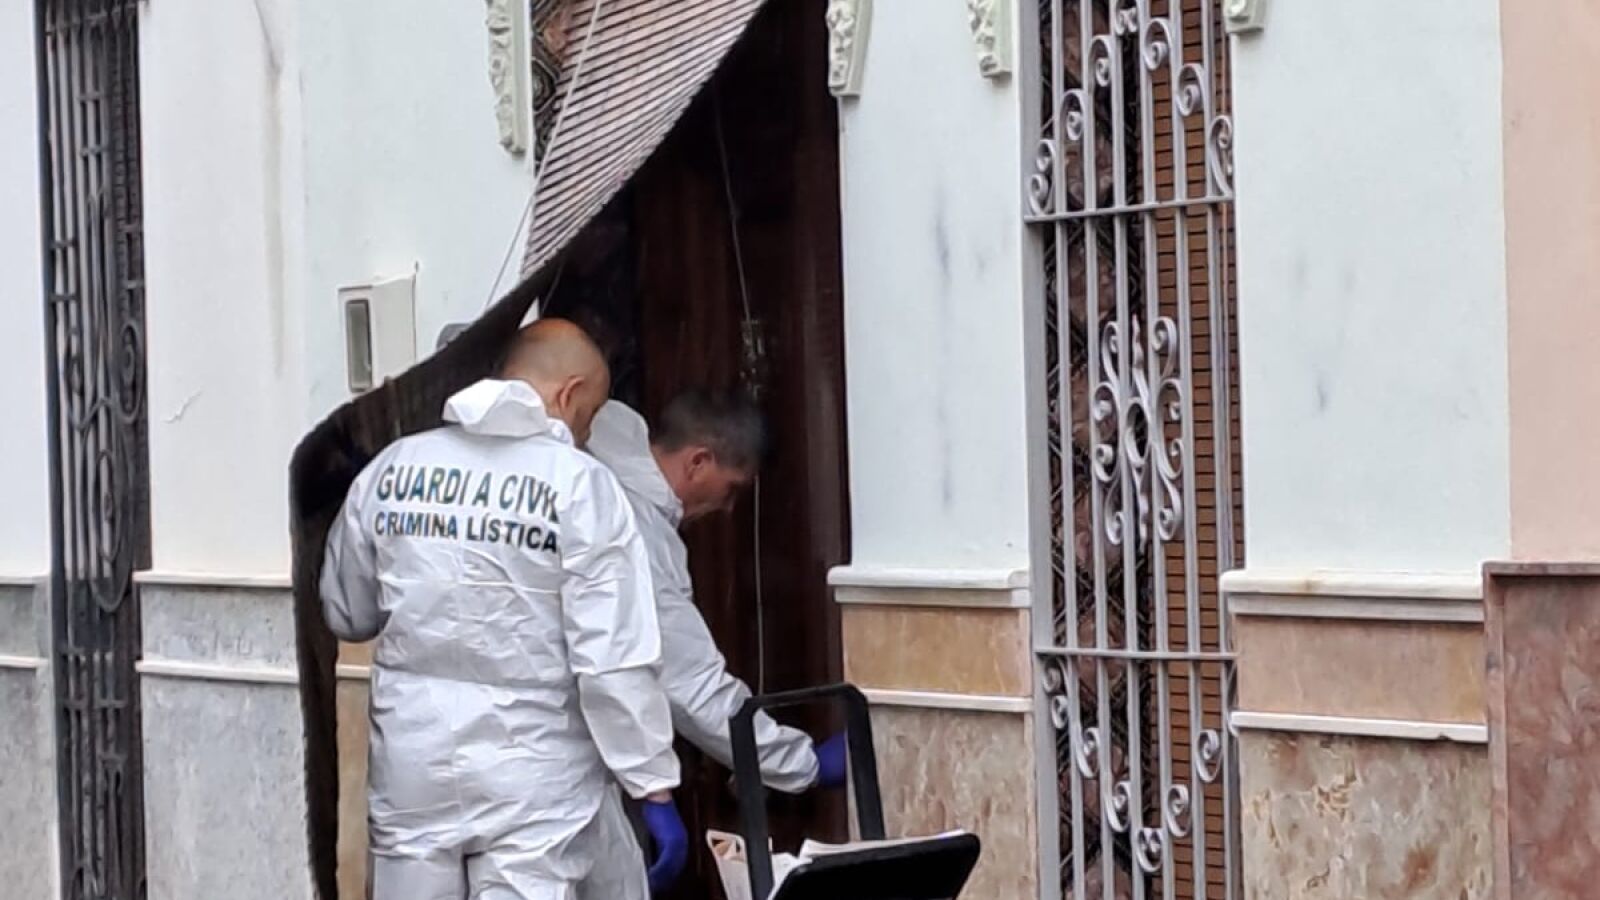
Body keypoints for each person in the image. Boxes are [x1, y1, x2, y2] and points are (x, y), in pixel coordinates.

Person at [319, 318, 686, 900]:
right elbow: (613, 659)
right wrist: (652, 785)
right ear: (569, 394)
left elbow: (347, 613)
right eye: (591, 415)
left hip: (415, 769)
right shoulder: (580, 485)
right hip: (535, 778)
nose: (587, 434)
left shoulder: (391, 469)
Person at [586, 390, 849, 799]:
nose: (728, 508)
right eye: (731, 489)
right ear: (698, 461)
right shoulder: (637, 534)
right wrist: (804, 764)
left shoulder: (601, 453)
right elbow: (690, 684)